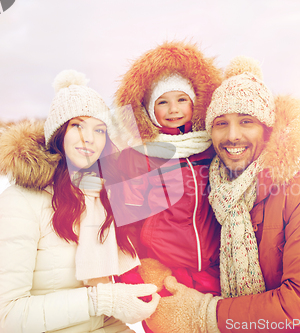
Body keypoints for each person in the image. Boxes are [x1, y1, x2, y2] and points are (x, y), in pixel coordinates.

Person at [145, 57, 300, 333]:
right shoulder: (220, 188)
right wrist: (155, 272)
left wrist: (204, 315)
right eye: (221, 123)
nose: (232, 136)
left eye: (246, 121)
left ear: (266, 127)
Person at [0, 70, 160, 333]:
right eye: (77, 125)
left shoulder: (103, 197)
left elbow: (104, 315)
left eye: (99, 129)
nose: (88, 138)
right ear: (58, 134)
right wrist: (102, 300)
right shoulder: (19, 202)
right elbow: (6, 314)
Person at [112, 41, 223, 330]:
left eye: (181, 99)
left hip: (217, 276)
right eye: (163, 102)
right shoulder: (140, 156)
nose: (173, 109)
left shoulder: (211, 149)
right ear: (149, 110)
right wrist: (137, 280)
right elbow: (125, 226)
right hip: (164, 278)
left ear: (195, 102)